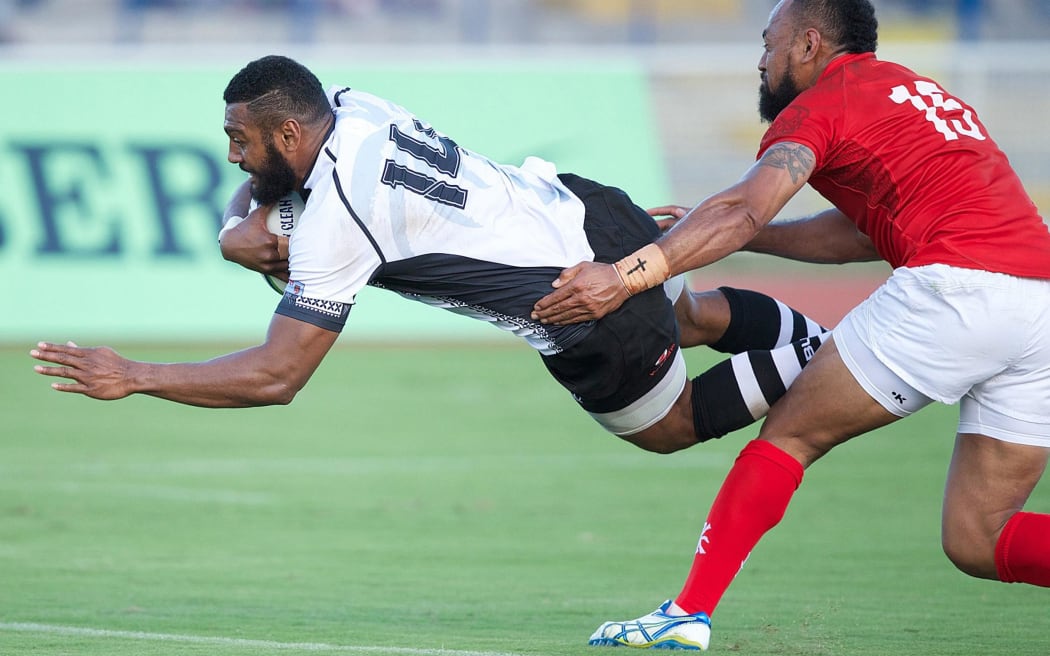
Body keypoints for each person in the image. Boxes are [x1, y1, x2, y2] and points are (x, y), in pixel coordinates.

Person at [532, 0, 1050, 651]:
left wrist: (629, 274)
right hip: (1041, 302)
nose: (761, 58)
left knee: (791, 436)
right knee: (980, 537)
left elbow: (744, 209)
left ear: (808, 45)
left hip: (958, 291)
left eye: (768, 41)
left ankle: (686, 613)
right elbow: (861, 236)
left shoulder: (823, 102)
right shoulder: (909, 90)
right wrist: (750, 234)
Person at [32, 57, 829, 473]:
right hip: (590, 209)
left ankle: (826, 363)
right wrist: (238, 234)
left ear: (284, 138)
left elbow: (278, 376)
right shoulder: (346, 102)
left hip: (577, 301)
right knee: (688, 315)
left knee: (670, 426)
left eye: (241, 141)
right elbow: (263, 213)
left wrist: (135, 375)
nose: (233, 156)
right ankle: (815, 340)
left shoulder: (339, 214)